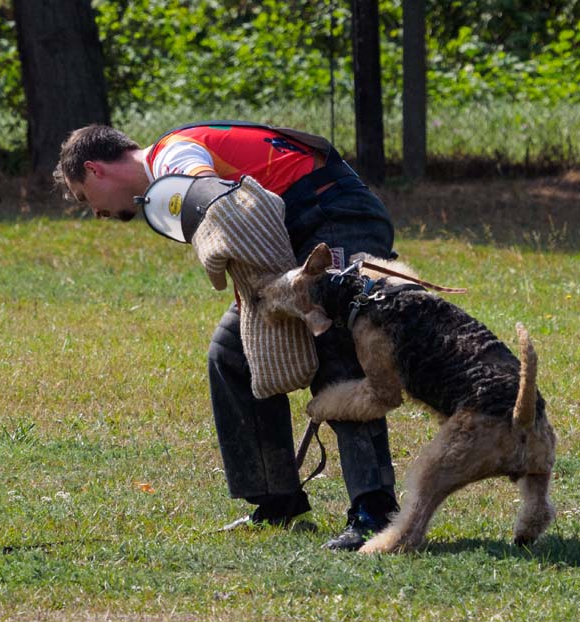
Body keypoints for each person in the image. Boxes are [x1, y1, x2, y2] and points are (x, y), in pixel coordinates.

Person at [53, 121, 399, 551]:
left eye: (87, 199)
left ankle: (374, 512)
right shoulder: (172, 161)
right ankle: (276, 501)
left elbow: (220, 200)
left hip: (333, 217)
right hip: (298, 230)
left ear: (95, 169)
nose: (98, 213)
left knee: (335, 347)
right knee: (231, 354)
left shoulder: (172, 158)